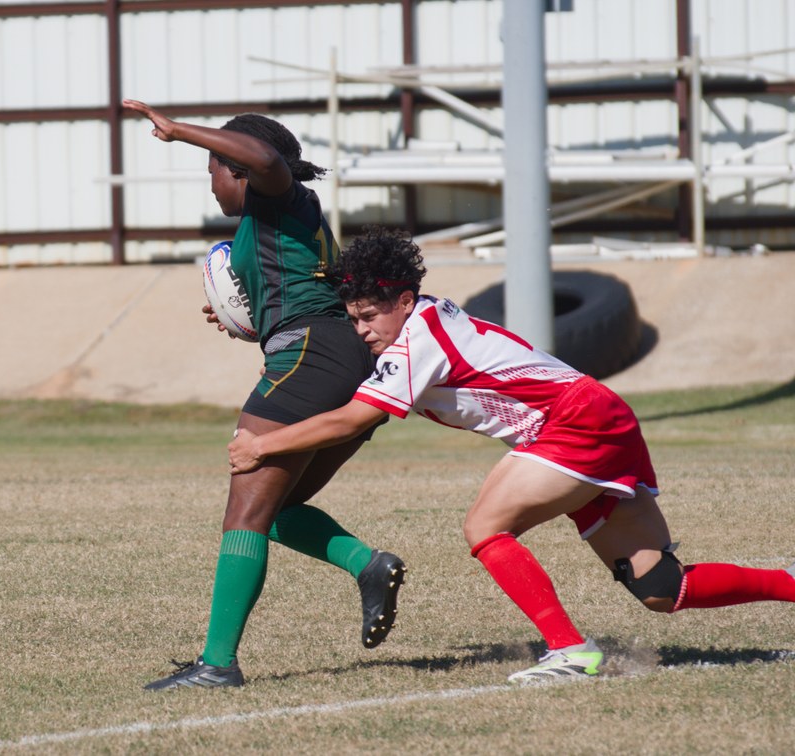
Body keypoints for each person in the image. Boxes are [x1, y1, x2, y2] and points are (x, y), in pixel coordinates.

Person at [228, 225, 795, 683]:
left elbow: (354, 416)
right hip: (594, 417)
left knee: (484, 526)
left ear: (403, 300)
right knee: (661, 588)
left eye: (369, 317)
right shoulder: (421, 319)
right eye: (353, 319)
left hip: (577, 420)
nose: (361, 330)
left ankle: (571, 650)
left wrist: (263, 443)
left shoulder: (419, 336)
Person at [122, 101, 406, 690]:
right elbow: (288, 293)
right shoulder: (277, 223)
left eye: (214, 169)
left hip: (311, 356)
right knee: (274, 511)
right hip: (336, 358)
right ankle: (367, 564)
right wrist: (242, 316)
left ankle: (217, 663)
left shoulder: (278, 196)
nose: (213, 183)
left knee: (244, 512)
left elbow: (268, 158)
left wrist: (178, 132)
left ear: (236, 167)